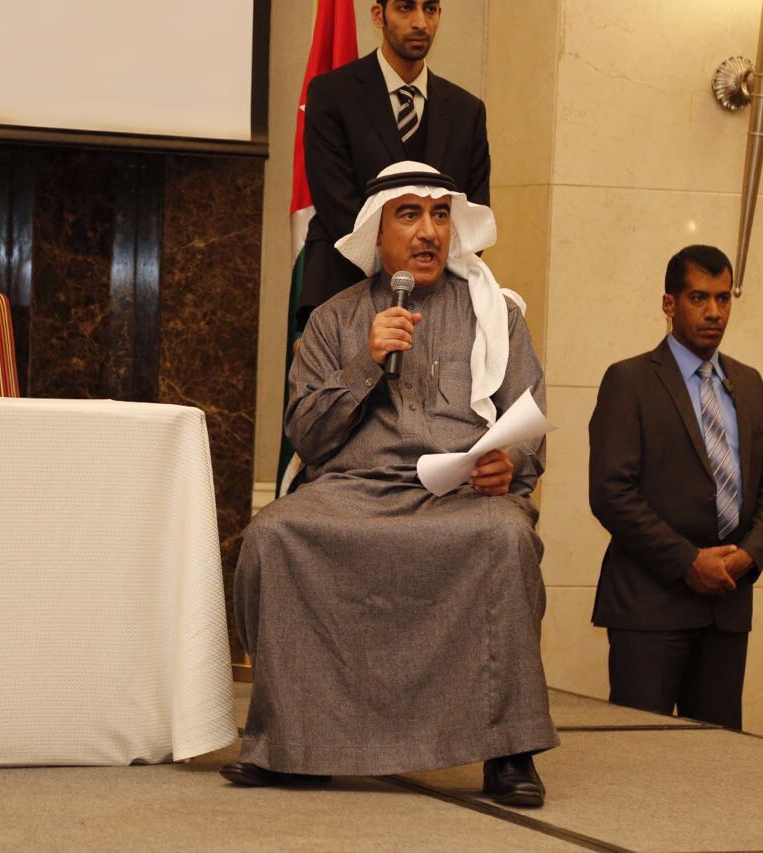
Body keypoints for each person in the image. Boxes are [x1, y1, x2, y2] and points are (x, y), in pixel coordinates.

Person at [221, 161, 557, 807]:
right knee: (275, 534)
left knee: (507, 536)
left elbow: (527, 417)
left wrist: (509, 463)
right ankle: (294, 744)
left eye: (440, 215)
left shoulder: (497, 314)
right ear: (378, 232)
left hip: (459, 496)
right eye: (410, 215)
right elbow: (308, 437)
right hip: (354, 490)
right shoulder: (333, 318)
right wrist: (365, 361)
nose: (429, 231)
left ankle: (510, 751)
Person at [587, 245, 763, 729]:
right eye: (699, 298)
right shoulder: (629, 381)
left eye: (723, 299)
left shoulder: (749, 383)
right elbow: (612, 494)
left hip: (727, 604)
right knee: (642, 752)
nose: (714, 312)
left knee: (718, 759)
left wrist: (748, 556)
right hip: (650, 605)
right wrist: (688, 562)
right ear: (669, 303)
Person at [298, 0, 490, 326]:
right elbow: (335, 202)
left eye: (430, 9)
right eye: (405, 8)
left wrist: (426, 276)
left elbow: (473, 213)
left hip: (438, 303)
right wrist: (397, 267)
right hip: (343, 288)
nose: (420, 22)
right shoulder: (332, 94)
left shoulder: (466, 111)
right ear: (379, 15)